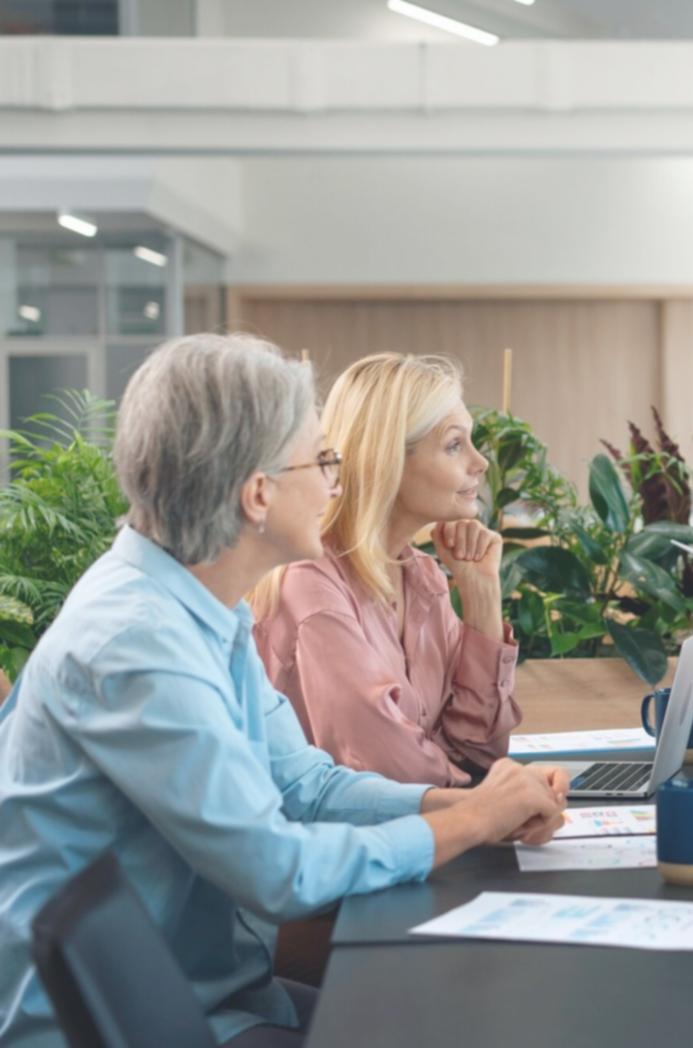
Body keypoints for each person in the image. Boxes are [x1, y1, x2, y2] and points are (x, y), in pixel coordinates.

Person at [0, 334, 569, 1047]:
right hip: (136, 1027)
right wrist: (473, 822)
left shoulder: (206, 607)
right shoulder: (136, 643)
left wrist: (476, 803)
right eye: (324, 461)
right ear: (258, 493)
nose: (339, 483)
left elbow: (308, 786)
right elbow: (278, 871)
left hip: (218, 995)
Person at [253, 354, 520, 786]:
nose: (480, 462)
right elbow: (386, 771)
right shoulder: (311, 585)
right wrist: (495, 801)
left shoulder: (423, 577)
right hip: (346, 846)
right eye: (455, 445)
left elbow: (481, 750)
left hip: (429, 833)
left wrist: (482, 593)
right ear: (388, 460)